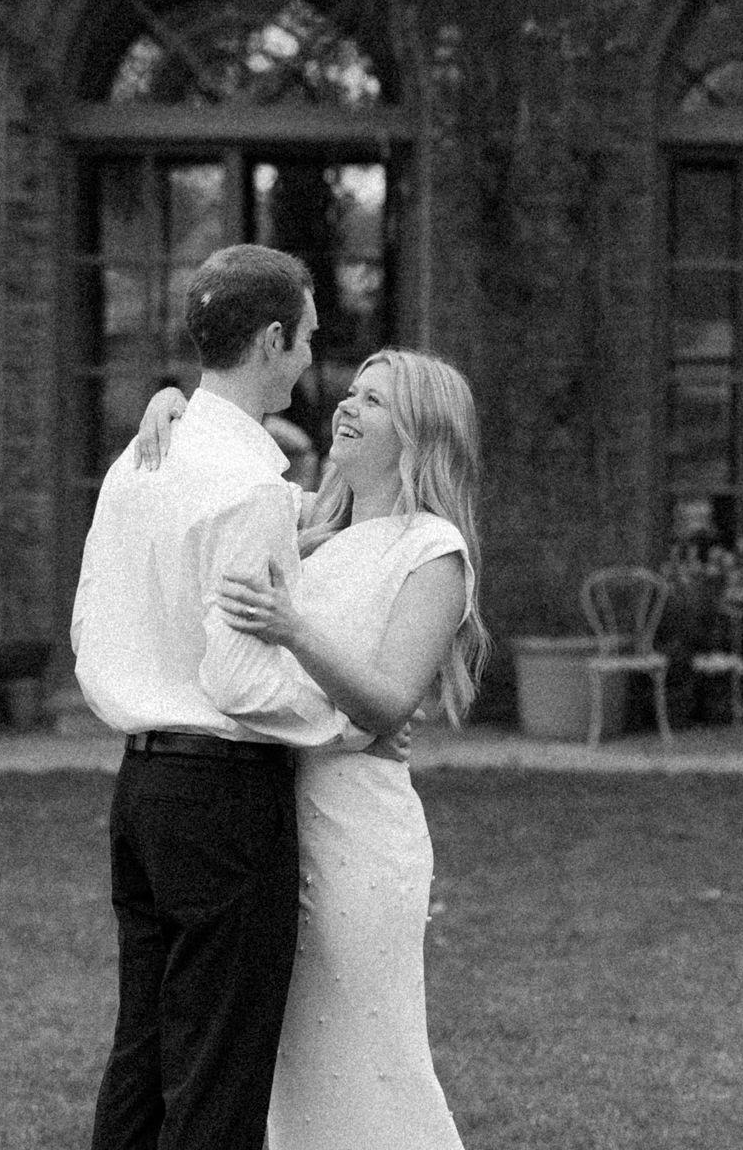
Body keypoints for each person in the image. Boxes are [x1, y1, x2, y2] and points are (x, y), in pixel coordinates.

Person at [135, 346, 489, 1150]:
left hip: (358, 833)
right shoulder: (310, 525)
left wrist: (295, 629)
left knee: (368, 1053)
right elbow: (215, 470)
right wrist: (170, 407)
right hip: (272, 822)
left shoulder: (431, 551)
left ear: (421, 433)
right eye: (352, 392)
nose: (348, 407)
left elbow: (389, 702)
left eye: (376, 401)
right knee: (288, 1065)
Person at [72, 244, 365, 1150]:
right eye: (306, 338)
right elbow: (239, 680)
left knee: (145, 1047)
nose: (309, 359)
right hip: (224, 798)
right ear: (271, 340)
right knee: (219, 1071)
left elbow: (88, 633)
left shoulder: (138, 463)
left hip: (142, 791)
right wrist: (343, 717)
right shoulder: (245, 487)